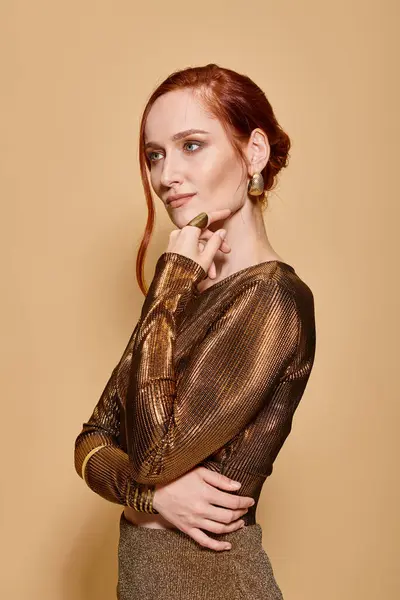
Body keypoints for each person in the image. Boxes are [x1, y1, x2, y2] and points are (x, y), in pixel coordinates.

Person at [74, 63, 316, 599]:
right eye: (155, 154)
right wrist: (153, 498)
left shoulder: (274, 298)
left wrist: (169, 283)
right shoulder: (181, 295)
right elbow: (90, 442)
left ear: (253, 153)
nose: (165, 176)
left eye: (191, 146)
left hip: (213, 581)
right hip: (147, 578)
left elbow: (152, 456)